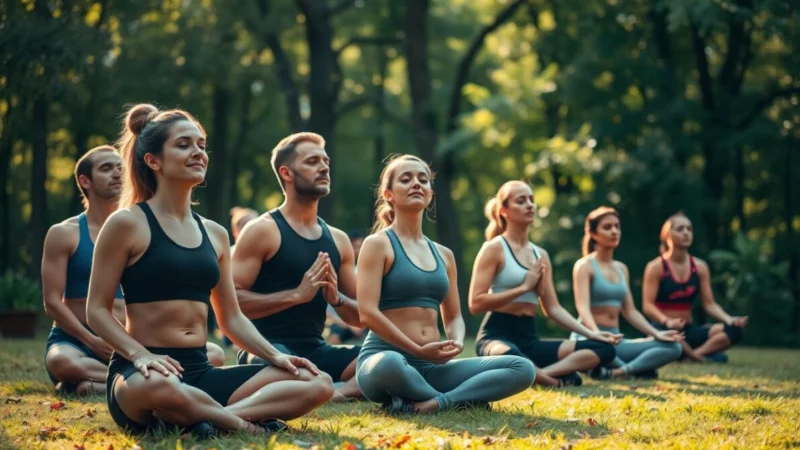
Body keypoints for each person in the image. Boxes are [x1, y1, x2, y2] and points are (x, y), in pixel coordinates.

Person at [87, 104, 333, 436]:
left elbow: (231, 318)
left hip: (200, 372)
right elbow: (97, 310)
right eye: (184, 144)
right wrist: (140, 356)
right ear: (153, 160)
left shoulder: (215, 234)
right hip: (141, 375)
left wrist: (276, 356)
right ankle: (244, 426)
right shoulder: (127, 223)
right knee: (163, 387)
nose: (198, 153)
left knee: (316, 382)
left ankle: (204, 420)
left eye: (202, 145)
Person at [355, 155, 535, 414]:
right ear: (389, 194)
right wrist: (417, 349)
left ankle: (432, 403)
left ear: (429, 194)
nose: (416, 184)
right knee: (391, 364)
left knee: (521, 367)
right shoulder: (378, 244)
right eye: (405, 179)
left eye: (423, 180)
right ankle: (457, 400)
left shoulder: (444, 254)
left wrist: (457, 341)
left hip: (431, 368)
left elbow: (454, 317)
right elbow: (367, 313)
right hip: (383, 361)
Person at [232, 132, 362, 401]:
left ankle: (330, 391)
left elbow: (362, 316)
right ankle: (323, 386)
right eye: (312, 161)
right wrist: (295, 296)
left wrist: (336, 299)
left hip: (317, 350)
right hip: (266, 350)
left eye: (325, 161)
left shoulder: (338, 240)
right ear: (287, 173)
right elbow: (231, 301)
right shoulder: (262, 231)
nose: (324, 167)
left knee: (385, 358)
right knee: (280, 369)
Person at [469, 181, 620, 387]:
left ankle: (538, 375)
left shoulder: (541, 255)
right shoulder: (494, 248)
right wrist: (523, 288)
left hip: (529, 338)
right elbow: (475, 303)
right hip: (496, 336)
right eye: (521, 201)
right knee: (514, 358)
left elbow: (554, 309)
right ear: (503, 210)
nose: (530, 205)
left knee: (604, 349)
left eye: (531, 199)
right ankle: (550, 380)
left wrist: (592, 333)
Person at [41, 146, 125, 396]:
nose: (117, 173)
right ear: (84, 181)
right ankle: (135, 379)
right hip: (76, 343)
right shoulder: (63, 233)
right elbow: (52, 303)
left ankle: (98, 385)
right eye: (107, 168)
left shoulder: (139, 230)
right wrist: (93, 342)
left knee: (214, 353)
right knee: (62, 362)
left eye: (121, 167)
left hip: (128, 341)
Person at [571, 207, 683, 379]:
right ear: (593, 234)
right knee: (603, 351)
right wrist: (596, 334)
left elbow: (630, 311)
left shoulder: (622, 268)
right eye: (607, 227)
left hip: (616, 340)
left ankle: (619, 372)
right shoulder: (584, 266)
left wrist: (657, 334)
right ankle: (637, 369)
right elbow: (582, 307)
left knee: (674, 347)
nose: (614, 231)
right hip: (589, 338)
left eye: (617, 226)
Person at [642, 212, 747, 362]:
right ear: (667, 235)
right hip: (664, 329)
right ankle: (696, 356)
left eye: (689, 229)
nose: (686, 233)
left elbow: (709, 304)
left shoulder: (700, 267)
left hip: (689, 331)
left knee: (734, 331)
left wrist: (730, 320)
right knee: (719, 358)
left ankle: (693, 356)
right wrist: (667, 321)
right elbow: (648, 306)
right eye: (680, 229)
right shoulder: (656, 267)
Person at [327, 230, 367, 345]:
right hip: (343, 322)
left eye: (360, 246)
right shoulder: (337, 272)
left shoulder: (370, 272)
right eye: (355, 246)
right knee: (334, 337)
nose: (358, 250)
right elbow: (328, 311)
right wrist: (349, 326)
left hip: (367, 322)